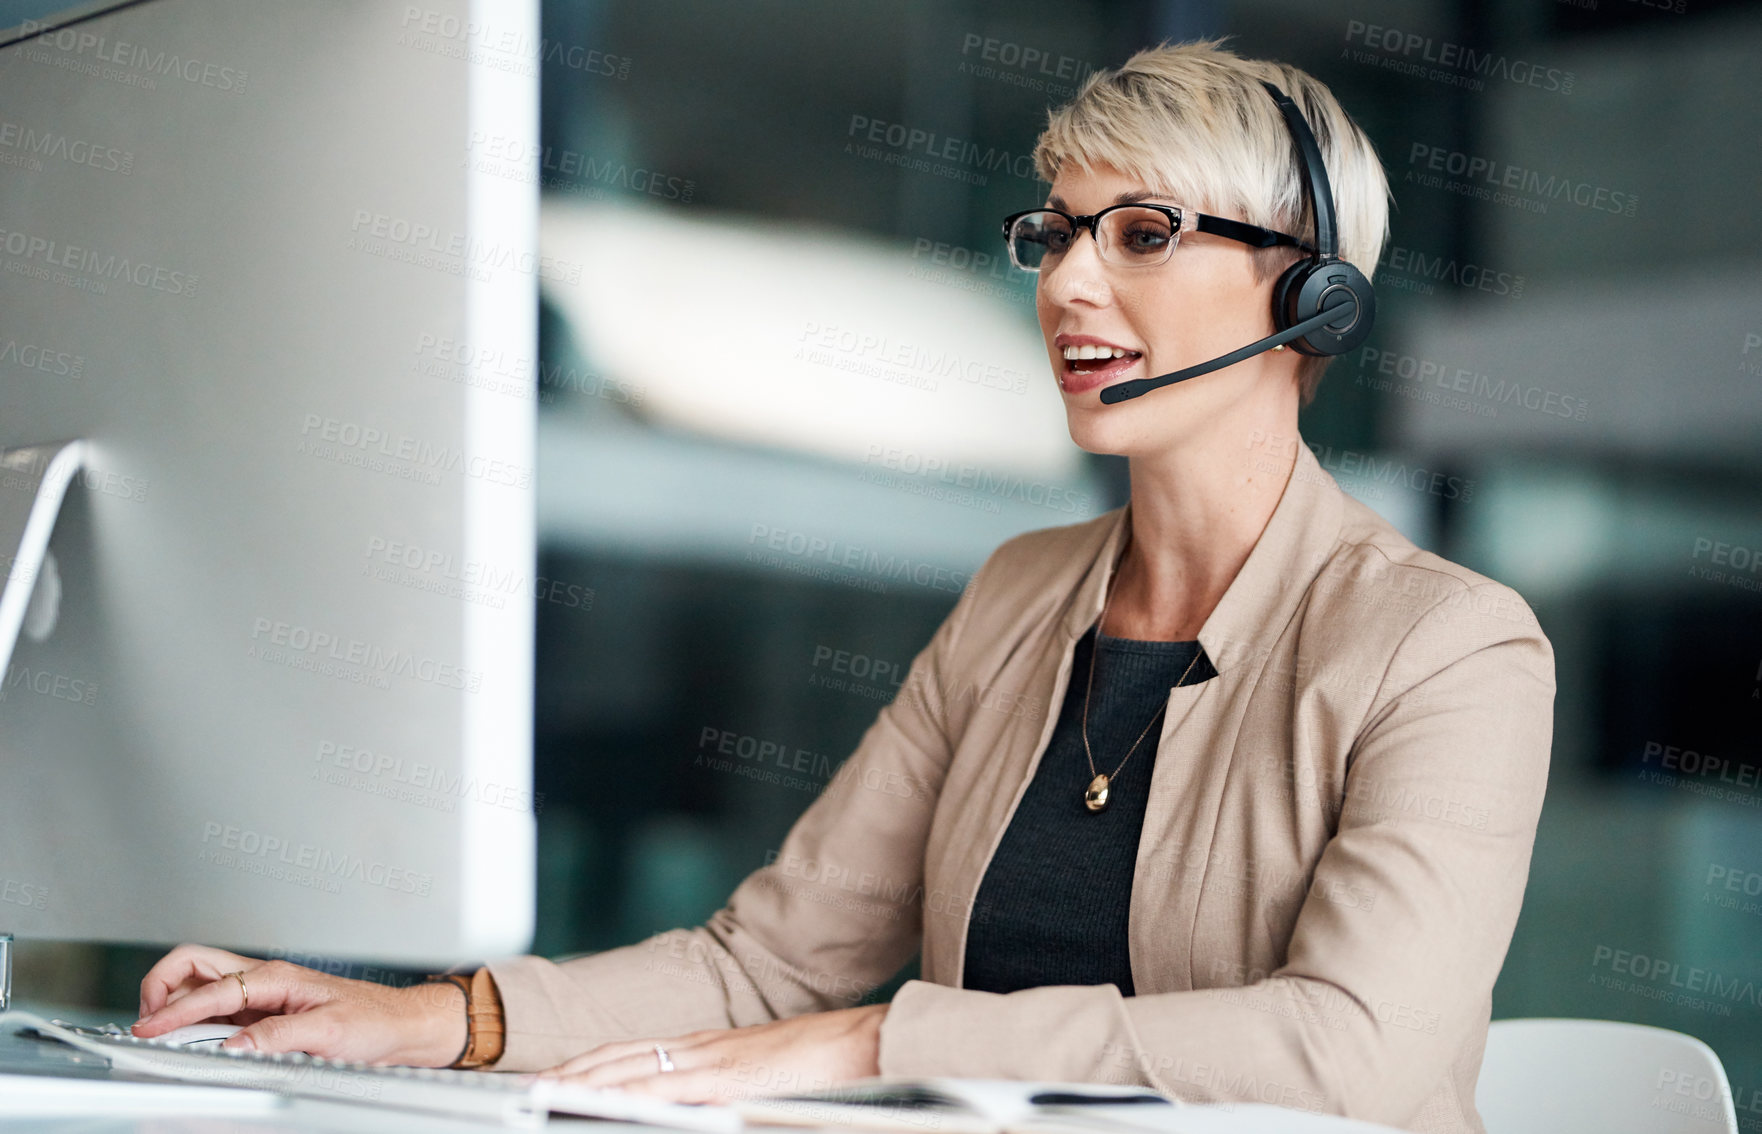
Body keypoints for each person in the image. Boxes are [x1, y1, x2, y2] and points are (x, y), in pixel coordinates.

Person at [132, 38, 1554, 1134]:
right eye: (1054, 233)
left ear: (1309, 300)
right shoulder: (1020, 595)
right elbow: (768, 967)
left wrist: (881, 1042)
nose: (1067, 285)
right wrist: (427, 1017)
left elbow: (1347, 1050)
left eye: (1140, 234)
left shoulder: (1446, 647)